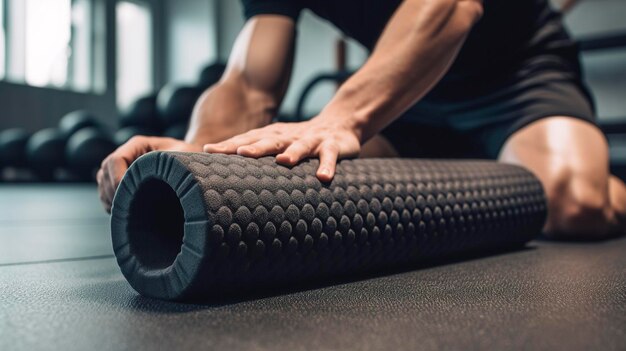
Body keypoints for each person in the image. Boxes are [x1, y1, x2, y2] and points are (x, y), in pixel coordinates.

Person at [98, 0, 626, 240]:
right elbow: (249, 82)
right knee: (292, 167)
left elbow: (451, 7)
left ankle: (605, 182)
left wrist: (343, 118)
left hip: (515, 74)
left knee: (574, 206)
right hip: (407, 93)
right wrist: (198, 156)